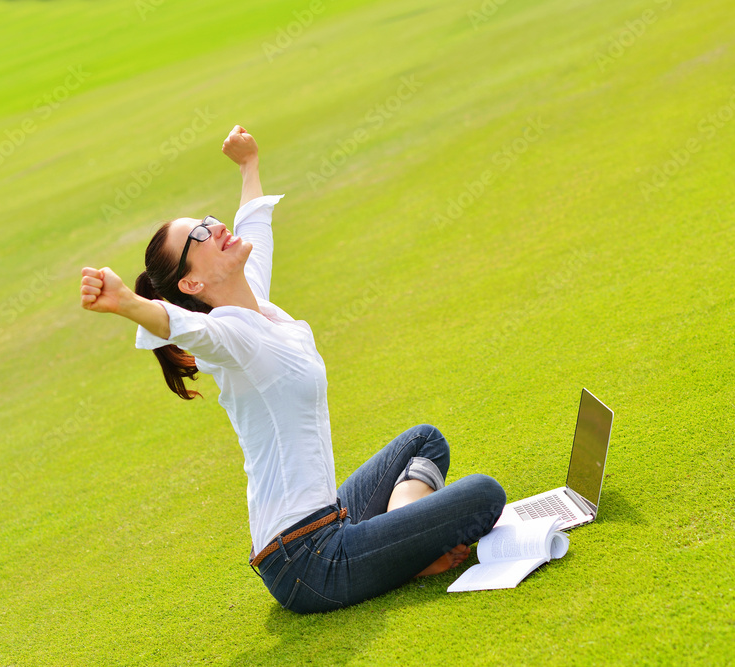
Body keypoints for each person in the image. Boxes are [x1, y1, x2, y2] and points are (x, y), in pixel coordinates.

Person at [79, 125, 506, 613]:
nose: (214, 226)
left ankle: (403, 543)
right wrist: (126, 303)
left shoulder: (254, 301)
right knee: (483, 496)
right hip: (307, 562)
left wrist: (248, 165)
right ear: (192, 281)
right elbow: (178, 325)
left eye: (208, 219)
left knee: (425, 441)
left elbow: (255, 226)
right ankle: (409, 550)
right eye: (199, 234)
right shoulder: (228, 336)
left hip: (331, 524)